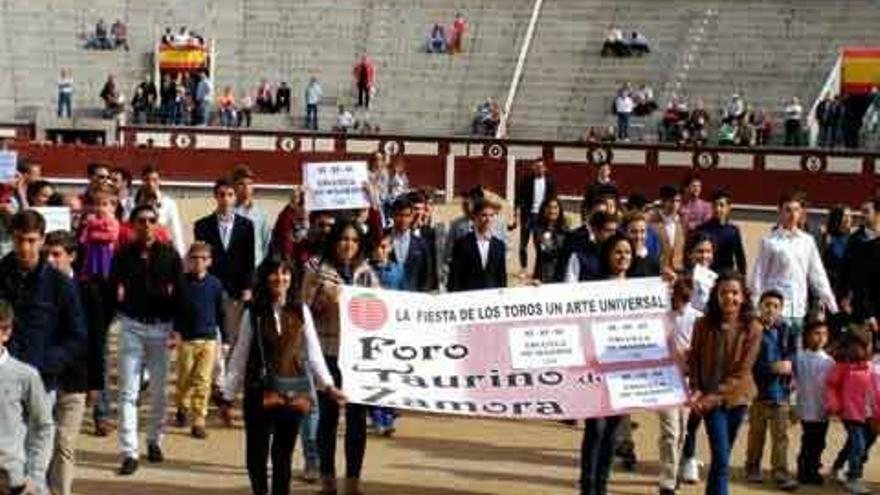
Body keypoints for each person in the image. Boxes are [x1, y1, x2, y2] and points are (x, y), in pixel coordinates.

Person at [222, 256, 344, 495]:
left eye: (285, 273)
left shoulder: (301, 311)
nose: (280, 278)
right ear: (265, 278)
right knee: (256, 454)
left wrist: (328, 386)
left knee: (283, 454)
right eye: (275, 273)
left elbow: (314, 353)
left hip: (293, 390)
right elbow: (240, 355)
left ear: (291, 277)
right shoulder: (254, 313)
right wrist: (227, 395)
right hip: (259, 390)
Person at [301, 220, 379, 495]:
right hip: (328, 353)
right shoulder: (315, 269)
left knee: (357, 419)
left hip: (358, 355)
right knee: (328, 418)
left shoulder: (367, 273)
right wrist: (324, 296)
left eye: (354, 240)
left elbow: (380, 311)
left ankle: (353, 482)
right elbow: (304, 311)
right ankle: (328, 480)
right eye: (344, 239)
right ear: (334, 241)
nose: (349, 245)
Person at [110, 204, 186, 475]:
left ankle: (154, 439)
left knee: (158, 392)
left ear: (157, 223)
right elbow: (112, 287)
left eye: (151, 220)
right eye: (141, 220)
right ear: (132, 225)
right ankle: (129, 452)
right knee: (128, 392)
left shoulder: (170, 255)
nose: (146, 225)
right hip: (132, 326)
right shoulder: (122, 255)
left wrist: (178, 328)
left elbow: (180, 294)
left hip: (162, 328)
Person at [688, 270, 763, 495]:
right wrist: (695, 388)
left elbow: (742, 372)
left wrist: (712, 397)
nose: (729, 298)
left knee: (722, 457)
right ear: (716, 296)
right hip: (710, 402)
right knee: (721, 458)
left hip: (736, 399)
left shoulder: (753, 328)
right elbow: (694, 359)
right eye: (724, 293)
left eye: (734, 293)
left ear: (743, 297)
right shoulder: (702, 324)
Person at [44, 231, 107, 495]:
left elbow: (97, 340)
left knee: (64, 442)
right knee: (40, 441)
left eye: (56, 255)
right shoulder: (34, 288)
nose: (49, 260)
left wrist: (96, 382)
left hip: (76, 379)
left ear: (72, 256)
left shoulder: (88, 292)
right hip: (41, 378)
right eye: (46, 254)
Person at [0, 210, 87, 394]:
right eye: (19, 239)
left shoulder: (61, 284)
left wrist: (46, 363)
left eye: (31, 240)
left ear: (41, 240)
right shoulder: (1, 275)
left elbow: (76, 336)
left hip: (41, 381)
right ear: (12, 239)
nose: (24, 247)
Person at [578, 233, 633, 495]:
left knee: (612, 432)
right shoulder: (593, 288)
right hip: (595, 368)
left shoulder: (642, 290)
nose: (623, 257)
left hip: (623, 371)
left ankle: (602, 486)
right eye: (618, 252)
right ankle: (587, 486)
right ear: (608, 255)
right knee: (596, 429)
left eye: (627, 253)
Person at [194, 177, 255, 397]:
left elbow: (249, 260)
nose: (226, 199)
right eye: (221, 195)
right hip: (212, 289)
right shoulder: (202, 225)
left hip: (238, 289)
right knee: (215, 336)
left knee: (233, 337)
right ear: (215, 197)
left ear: (235, 197)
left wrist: (248, 287)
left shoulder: (247, 226)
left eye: (229, 195)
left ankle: (227, 380)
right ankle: (219, 382)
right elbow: (201, 260)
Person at [751, 192, 838, 339]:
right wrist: (755, 305)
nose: (792, 214)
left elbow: (817, 274)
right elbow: (759, 274)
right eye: (788, 210)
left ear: (801, 213)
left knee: (794, 352)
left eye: (796, 210)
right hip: (774, 308)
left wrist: (832, 305)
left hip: (798, 307)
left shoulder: (807, 241)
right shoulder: (769, 241)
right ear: (780, 212)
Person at [744, 290, 798, 490]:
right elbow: (747, 362)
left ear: (781, 309)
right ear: (760, 306)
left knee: (781, 436)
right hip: (759, 393)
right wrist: (770, 367)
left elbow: (793, 355)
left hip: (781, 393)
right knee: (756, 434)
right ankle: (752, 467)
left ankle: (780, 472)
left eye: (776, 306)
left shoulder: (786, 330)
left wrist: (791, 366)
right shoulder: (752, 330)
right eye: (767, 304)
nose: (771, 309)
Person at [0, 299, 54, 495]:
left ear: (6, 332)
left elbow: (43, 426)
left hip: (13, 479)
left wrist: (35, 476)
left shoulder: (25, 375)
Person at [175, 242, 226, 439]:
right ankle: (182, 405)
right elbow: (176, 310)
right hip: (187, 339)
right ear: (188, 260)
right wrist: (175, 332)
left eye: (203, 258)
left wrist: (226, 338)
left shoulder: (215, 284)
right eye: (194, 258)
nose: (198, 262)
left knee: (203, 380)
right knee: (185, 378)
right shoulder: (182, 282)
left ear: (210, 261)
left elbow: (221, 313)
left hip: (209, 339)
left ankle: (199, 419)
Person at [658, 275, 702, 495]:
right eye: (679, 294)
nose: (682, 299)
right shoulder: (659, 315)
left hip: (686, 380)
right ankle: (667, 480)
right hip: (663, 379)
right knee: (670, 431)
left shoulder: (698, 319)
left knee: (683, 432)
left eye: (687, 296)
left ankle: (673, 473)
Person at [825, 328, 880, 495]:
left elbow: (877, 391)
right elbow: (832, 386)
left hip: (871, 416)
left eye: (864, 346)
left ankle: (837, 468)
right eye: (854, 346)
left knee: (859, 445)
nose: (859, 350)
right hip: (851, 414)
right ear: (847, 347)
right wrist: (834, 404)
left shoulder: (872, 368)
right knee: (858, 445)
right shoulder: (842, 367)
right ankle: (853, 478)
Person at [367, 231, 404, 436]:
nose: (380, 251)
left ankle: (388, 414)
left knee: (390, 374)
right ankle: (377, 415)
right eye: (377, 247)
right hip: (369, 330)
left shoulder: (398, 271)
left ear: (390, 248)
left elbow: (405, 295)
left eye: (384, 247)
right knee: (374, 375)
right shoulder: (364, 271)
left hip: (392, 328)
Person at [794, 319, 834, 486]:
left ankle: (812, 468)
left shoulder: (829, 361)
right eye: (816, 334)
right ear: (807, 336)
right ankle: (805, 471)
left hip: (822, 409)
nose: (821, 338)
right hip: (806, 407)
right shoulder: (799, 357)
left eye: (824, 334)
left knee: (819, 441)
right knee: (809, 440)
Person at [447, 197, 506, 292]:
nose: (488, 219)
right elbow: (454, 277)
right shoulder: (462, 244)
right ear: (475, 217)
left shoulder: (499, 246)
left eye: (491, 215)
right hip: (468, 298)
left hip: (491, 300)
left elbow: (501, 278)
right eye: (484, 215)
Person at [514, 159, 557, 274]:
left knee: (540, 243)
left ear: (545, 168)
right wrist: (516, 213)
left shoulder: (550, 182)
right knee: (523, 244)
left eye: (541, 166)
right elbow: (518, 197)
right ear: (533, 168)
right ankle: (523, 268)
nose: (539, 169)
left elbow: (553, 199)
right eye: (536, 167)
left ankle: (539, 268)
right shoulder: (526, 180)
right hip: (528, 215)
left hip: (542, 216)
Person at [136, 165, 185, 255]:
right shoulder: (133, 201)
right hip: (137, 249)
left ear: (159, 181)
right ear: (142, 181)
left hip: (161, 250)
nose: (151, 184)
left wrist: (181, 255)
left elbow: (176, 232)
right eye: (147, 180)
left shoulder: (169, 203)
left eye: (154, 180)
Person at [562, 210, 619, 283]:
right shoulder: (580, 256)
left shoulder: (620, 254)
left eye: (614, 231)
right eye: (608, 231)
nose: (613, 235)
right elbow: (570, 283)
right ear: (595, 230)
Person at [697, 190, 747, 274]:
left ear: (728, 208)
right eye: (715, 205)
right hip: (706, 275)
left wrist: (742, 278)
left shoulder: (733, 231)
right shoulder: (702, 229)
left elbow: (740, 257)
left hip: (725, 276)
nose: (718, 209)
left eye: (721, 205)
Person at [232, 165, 272, 267]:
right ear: (234, 187)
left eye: (249, 184)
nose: (246, 188)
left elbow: (267, 243)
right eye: (241, 184)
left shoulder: (260, 214)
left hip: (256, 267)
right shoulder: (228, 213)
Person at [78, 185, 120, 281]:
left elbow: (112, 236)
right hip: (92, 250)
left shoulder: (112, 221)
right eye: (97, 204)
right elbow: (86, 232)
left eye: (104, 204)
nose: (100, 208)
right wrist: (84, 239)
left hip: (106, 251)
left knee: (105, 272)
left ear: (112, 207)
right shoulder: (92, 219)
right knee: (91, 270)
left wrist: (94, 235)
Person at [388, 197, 430, 292]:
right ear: (392, 216)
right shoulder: (382, 240)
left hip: (412, 299)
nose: (403, 220)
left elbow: (425, 277)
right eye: (399, 215)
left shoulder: (421, 244)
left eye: (407, 216)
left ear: (412, 217)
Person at [820, 204, 852, 301]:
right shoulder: (828, 239)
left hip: (848, 290)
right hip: (832, 289)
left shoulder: (853, 239)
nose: (848, 219)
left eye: (850, 216)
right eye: (845, 216)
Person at [532, 197, 567, 283]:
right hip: (544, 274)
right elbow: (547, 250)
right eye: (549, 207)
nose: (552, 211)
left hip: (561, 274)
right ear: (544, 210)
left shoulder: (565, 230)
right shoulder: (539, 230)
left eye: (555, 207)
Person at [651, 185, 685, 271]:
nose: (675, 204)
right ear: (663, 201)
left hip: (678, 270)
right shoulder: (652, 223)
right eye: (671, 200)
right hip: (658, 271)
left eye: (677, 201)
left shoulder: (682, 223)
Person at [623, 211, 660, 277]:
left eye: (642, 231)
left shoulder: (655, 263)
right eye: (633, 232)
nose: (638, 236)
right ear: (625, 233)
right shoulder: (620, 261)